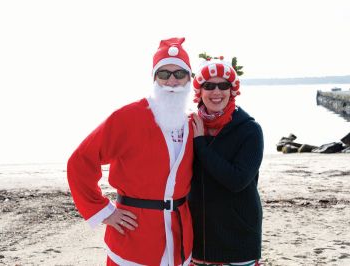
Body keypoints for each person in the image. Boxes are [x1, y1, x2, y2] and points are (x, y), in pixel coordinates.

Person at [67, 37, 194, 266]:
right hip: (134, 236)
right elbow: (80, 161)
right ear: (154, 78)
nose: (172, 80)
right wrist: (104, 211)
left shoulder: (193, 123)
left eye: (179, 73)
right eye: (164, 74)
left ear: (189, 78)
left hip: (178, 237)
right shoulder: (128, 117)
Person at [189, 55, 264, 265]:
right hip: (199, 237)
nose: (216, 92)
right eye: (209, 86)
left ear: (232, 91)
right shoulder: (190, 126)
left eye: (223, 85)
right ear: (199, 92)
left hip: (238, 237)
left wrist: (201, 144)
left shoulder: (250, 130)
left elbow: (237, 180)